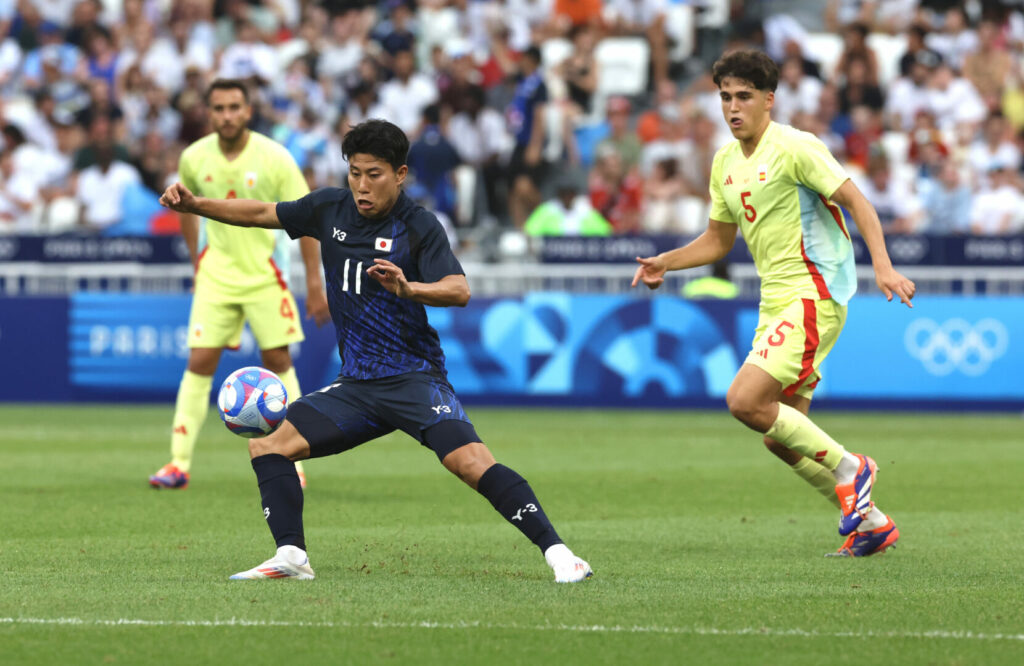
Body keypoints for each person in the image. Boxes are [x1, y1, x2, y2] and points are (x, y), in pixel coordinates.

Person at [158, 118, 592, 583]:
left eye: (374, 175)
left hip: (413, 379)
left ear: (400, 174)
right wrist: (198, 204)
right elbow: (263, 212)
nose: (361, 186)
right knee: (267, 443)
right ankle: (291, 556)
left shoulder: (419, 225)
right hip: (357, 386)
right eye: (354, 173)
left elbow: (459, 289)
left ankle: (561, 556)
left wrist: (410, 289)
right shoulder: (329, 208)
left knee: (471, 463)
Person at [632, 50, 916, 558]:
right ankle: (871, 522)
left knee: (744, 400)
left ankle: (855, 469)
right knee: (783, 438)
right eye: (725, 97)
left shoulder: (796, 147)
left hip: (812, 294)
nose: (733, 108)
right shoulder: (724, 162)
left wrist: (884, 265)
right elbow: (718, 242)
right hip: (777, 302)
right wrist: (666, 263)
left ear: (769, 99)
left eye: (744, 97)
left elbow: (859, 202)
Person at [148, 79, 329, 490]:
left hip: (265, 275)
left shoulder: (275, 158)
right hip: (216, 276)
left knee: (279, 361)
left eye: (234, 107)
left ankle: (295, 460)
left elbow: (308, 220)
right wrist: (199, 262)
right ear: (208, 113)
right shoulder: (194, 157)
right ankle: (177, 463)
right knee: (199, 363)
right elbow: (187, 211)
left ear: (248, 111)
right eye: (218, 108)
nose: (226, 115)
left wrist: (315, 286)